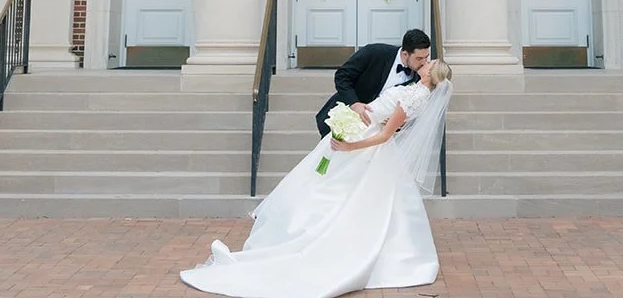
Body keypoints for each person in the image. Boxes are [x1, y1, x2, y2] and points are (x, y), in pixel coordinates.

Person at [181, 57, 453, 298]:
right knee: (336, 190)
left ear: (431, 75)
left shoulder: (415, 96)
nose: (425, 63)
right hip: (363, 134)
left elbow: (384, 135)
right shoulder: (417, 94)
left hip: (364, 145)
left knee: (337, 194)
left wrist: (349, 146)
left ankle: (323, 243)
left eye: (429, 63)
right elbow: (390, 126)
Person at [315, 28, 431, 137]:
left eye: (426, 57)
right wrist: (354, 103)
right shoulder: (375, 52)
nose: (424, 62)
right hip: (345, 121)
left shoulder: (421, 78)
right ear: (405, 54)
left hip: (376, 135)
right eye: (419, 58)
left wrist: (399, 123)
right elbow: (342, 76)